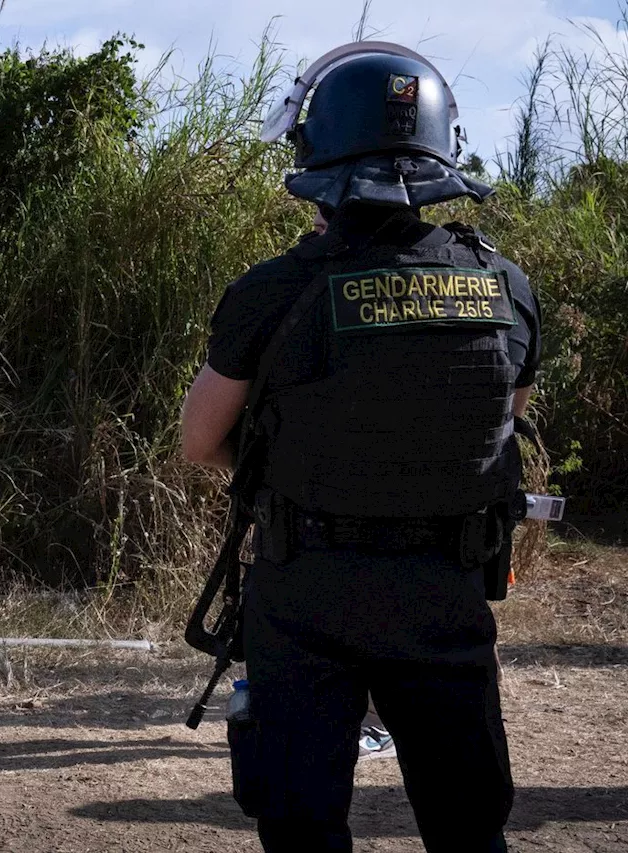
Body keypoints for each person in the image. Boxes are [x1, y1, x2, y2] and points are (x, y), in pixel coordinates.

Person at [181, 45, 541, 852]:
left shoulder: (271, 288)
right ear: (443, 150)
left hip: (307, 589)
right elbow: (500, 417)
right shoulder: (505, 286)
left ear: (319, 160)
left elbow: (199, 440)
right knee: (470, 829)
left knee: (304, 830)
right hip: (444, 592)